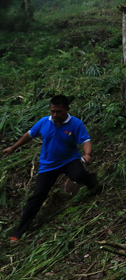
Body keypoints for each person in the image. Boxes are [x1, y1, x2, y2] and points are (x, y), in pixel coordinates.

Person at [2, 95, 98, 242]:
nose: (54, 115)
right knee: (37, 196)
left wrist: (87, 154)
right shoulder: (44, 122)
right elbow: (29, 134)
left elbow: (85, 140)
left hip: (69, 159)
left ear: (67, 110)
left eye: (58, 112)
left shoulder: (75, 124)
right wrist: (13, 147)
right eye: (52, 111)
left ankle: (92, 182)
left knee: (78, 175)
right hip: (48, 164)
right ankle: (20, 230)